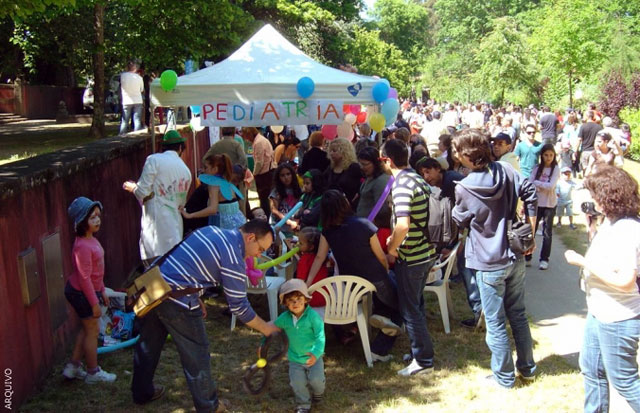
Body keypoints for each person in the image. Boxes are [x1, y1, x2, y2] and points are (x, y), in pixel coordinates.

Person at [132, 220, 279, 412]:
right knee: (198, 355)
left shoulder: (214, 231)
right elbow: (239, 307)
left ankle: (141, 392)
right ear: (250, 237)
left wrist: (196, 295)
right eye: (260, 249)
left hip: (156, 289)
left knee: (149, 344)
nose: (259, 254)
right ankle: (209, 406)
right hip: (176, 301)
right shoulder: (234, 257)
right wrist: (267, 328)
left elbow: (191, 264)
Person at [451, 128, 538, 388]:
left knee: (495, 322)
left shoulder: (465, 187)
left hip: (489, 261)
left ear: (467, 155)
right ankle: (527, 368)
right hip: (514, 255)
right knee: (518, 314)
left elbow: (460, 220)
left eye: (457, 151)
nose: (455, 155)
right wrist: (530, 233)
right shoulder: (507, 171)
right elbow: (530, 193)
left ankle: (504, 377)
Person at [564, 165, 640, 413]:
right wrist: (591, 226)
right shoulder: (612, 222)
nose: (592, 200)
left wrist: (583, 262)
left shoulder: (627, 230)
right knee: (591, 368)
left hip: (619, 316)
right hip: (600, 312)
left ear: (609, 195)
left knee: (625, 381)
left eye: (595, 194)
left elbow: (626, 282)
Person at [306, 190, 403, 358]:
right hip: (375, 277)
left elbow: (320, 257)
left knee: (390, 292)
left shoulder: (328, 231)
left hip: (352, 285)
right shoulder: (363, 224)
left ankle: (381, 313)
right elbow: (380, 255)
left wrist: (308, 282)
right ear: (344, 204)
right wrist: (386, 269)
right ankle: (378, 349)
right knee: (402, 304)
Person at [384, 139, 438, 376]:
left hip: (413, 256)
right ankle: (420, 350)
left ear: (388, 160)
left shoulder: (402, 184)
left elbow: (403, 225)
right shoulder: (417, 178)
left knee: (410, 309)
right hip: (426, 252)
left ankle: (424, 360)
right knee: (416, 304)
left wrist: (391, 247)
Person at [62, 197, 116, 384]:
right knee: (92, 330)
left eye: (98, 216)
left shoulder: (90, 239)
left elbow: (96, 273)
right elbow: (84, 278)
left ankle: (73, 366)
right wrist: (94, 304)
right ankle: (93, 372)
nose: (97, 220)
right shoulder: (82, 247)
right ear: (81, 221)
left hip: (88, 291)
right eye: (92, 217)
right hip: (80, 293)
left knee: (87, 329)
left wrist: (101, 290)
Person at [123, 130, 192, 263]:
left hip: (156, 222)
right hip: (175, 225)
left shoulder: (154, 160)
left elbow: (142, 191)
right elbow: (181, 204)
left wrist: (133, 188)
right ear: (180, 148)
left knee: (153, 267)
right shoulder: (186, 171)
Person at [274, 279, 326, 413]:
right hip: (294, 358)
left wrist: (316, 353)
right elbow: (271, 329)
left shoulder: (313, 316)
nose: (295, 303)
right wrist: (263, 344)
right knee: (297, 383)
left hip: (314, 358)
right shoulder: (284, 318)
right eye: (290, 300)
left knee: (317, 381)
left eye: (298, 298)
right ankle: (303, 404)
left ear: (306, 299)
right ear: (285, 303)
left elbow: (320, 336)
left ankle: (318, 393)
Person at [180, 153, 245, 230]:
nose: (203, 170)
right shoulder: (226, 180)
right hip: (238, 221)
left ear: (215, 169)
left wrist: (190, 215)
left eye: (206, 168)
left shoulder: (213, 184)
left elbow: (213, 209)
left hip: (223, 225)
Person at [527, 144, 559, 270]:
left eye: (551, 155)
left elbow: (551, 185)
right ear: (542, 156)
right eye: (546, 155)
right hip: (536, 203)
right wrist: (540, 185)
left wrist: (538, 184)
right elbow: (530, 182)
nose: (548, 158)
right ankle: (528, 256)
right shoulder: (537, 168)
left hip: (549, 204)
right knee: (531, 230)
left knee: (547, 232)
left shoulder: (555, 169)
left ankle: (544, 258)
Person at [241, 127, 276, 219]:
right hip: (268, 171)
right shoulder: (262, 139)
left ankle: (266, 218)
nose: (247, 140)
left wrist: (254, 174)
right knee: (264, 198)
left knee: (264, 199)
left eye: (247, 137)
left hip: (264, 174)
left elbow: (259, 162)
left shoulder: (258, 142)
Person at [324, 137, 364, 210]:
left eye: (334, 151)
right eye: (330, 151)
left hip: (348, 208)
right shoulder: (330, 168)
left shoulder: (353, 167)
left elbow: (365, 181)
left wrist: (358, 193)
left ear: (344, 151)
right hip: (331, 207)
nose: (331, 153)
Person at [295, 227, 328, 307]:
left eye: (301, 243)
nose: (297, 245)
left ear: (311, 247)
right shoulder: (324, 258)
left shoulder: (304, 260)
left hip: (311, 299)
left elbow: (300, 282)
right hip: (325, 298)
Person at [356, 146, 392, 219]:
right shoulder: (370, 177)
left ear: (375, 164)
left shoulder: (381, 181)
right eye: (360, 164)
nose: (361, 167)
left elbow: (382, 209)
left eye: (365, 164)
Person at [270, 163, 302, 232]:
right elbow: (274, 210)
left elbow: (300, 207)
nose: (286, 177)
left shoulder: (297, 190)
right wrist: (288, 221)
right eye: (282, 175)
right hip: (279, 226)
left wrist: (296, 221)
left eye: (288, 174)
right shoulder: (276, 192)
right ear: (278, 177)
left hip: (294, 226)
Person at [119, 61, 144, 135]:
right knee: (137, 120)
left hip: (126, 100)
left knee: (125, 120)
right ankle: (137, 135)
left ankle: (121, 135)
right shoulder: (139, 78)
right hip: (137, 100)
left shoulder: (123, 76)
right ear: (135, 69)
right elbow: (141, 89)